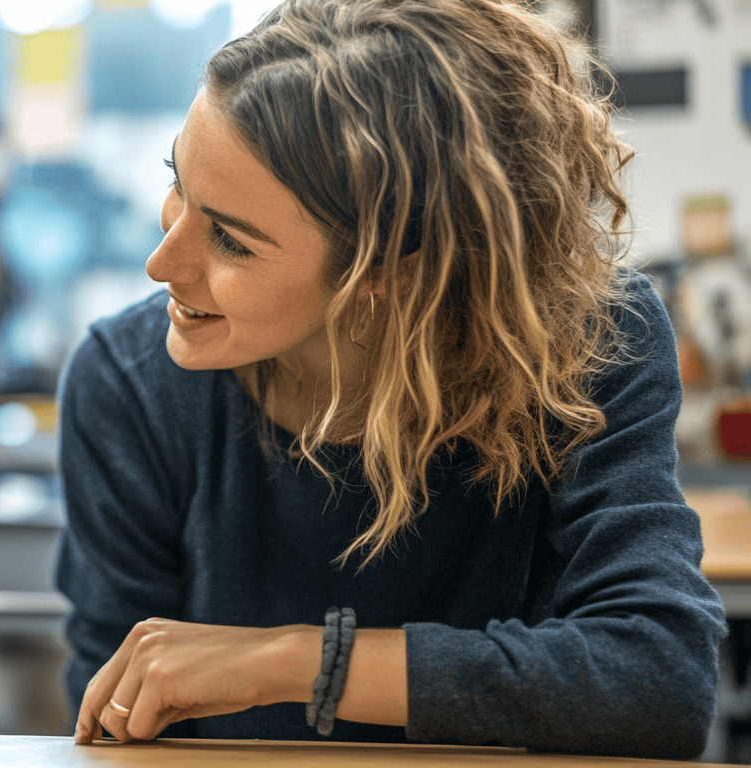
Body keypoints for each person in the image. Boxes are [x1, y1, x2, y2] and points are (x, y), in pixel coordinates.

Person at [54, 0, 726, 760]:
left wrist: (295, 662)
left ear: (387, 271)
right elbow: (117, 724)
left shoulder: (588, 341)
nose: (161, 262)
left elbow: (658, 680)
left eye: (231, 241)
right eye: (178, 184)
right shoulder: (127, 381)